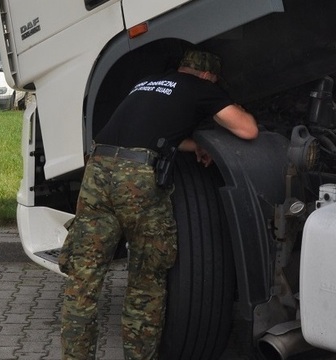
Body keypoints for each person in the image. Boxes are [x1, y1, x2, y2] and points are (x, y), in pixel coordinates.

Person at [58, 49, 258, 360]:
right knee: (145, 284)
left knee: (82, 283)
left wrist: (194, 147)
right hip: (136, 181)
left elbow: (155, 131)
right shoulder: (204, 88)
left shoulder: (148, 83)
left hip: (97, 171)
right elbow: (247, 129)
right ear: (208, 75)